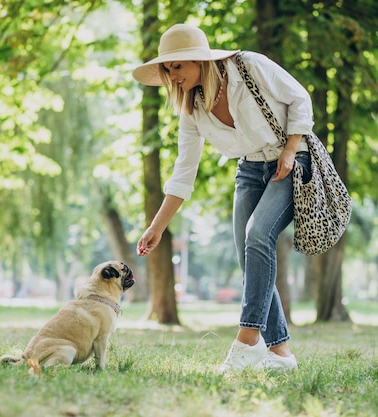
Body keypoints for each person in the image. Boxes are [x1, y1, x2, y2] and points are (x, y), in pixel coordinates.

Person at [133, 24, 314, 373]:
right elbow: (183, 172)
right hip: (250, 169)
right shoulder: (193, 109)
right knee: (250, 261)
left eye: (178, 66)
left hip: (291, 159)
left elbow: (300, 98)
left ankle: (246, 343)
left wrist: (292, 148)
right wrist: (156, 227)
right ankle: (282, 355)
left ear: (199, 61)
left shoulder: (249, 66)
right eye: (167, 69)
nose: (173, 75)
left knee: (258, 234)